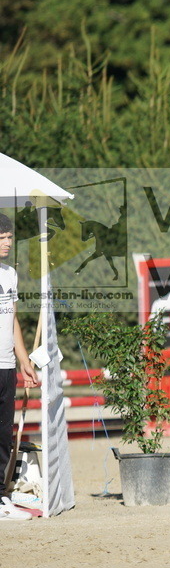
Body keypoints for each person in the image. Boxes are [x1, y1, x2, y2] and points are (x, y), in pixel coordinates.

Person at [0, 213, 39, 521]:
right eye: (2, 238)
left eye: (10, 237)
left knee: (3, 435)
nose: (8, 243)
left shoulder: (10, 274)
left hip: (7, 364)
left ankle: (1, 495)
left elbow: (12, 319)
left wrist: (23, 360)